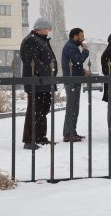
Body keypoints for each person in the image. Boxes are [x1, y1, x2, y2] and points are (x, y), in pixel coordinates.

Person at [20, 18, 58, 150]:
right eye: (48, 28)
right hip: (36, 82)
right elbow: (33, 61)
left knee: (43, 111)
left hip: (45, 82)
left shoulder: (42, 40)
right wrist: (47, 73)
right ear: (40, 28)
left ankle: (40, 136)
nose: (49, 31)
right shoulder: (31, 40)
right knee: (34, 111)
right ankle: (29, 139)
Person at [61, 28, 90, 142]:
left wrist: (83, 72)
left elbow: (75, 65)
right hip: (71, 81)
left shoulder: (72, 47)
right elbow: (78, 61)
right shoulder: (71, 47)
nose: (83, 38)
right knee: (72, 107)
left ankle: (72, 132)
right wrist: (85, 52)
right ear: (75, 36)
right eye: (81, 36)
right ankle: (68, 133)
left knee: (74, 108)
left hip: (73, 79)